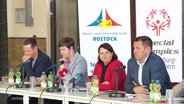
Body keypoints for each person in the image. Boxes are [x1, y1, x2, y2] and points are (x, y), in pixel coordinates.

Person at [7, 35, 53, 104]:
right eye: (24, 51)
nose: (25, 53)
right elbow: (21, 75)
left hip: (42, 92)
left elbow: (34, 79)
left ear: (35, 49)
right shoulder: (29, 58)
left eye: (28, 51)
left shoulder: (44, 59)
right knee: (11, 98)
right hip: (31, 91)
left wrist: (26, 63)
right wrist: (10, 78)